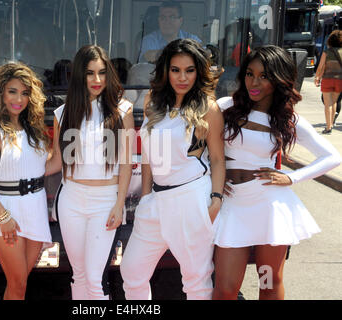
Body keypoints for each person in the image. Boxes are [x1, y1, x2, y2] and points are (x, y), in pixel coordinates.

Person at [212, 45, 341, 300]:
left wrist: (292, 177)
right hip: (233, 205)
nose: (254, 82)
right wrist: (212, 179)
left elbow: (332, 156)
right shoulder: (225, 107)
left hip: (269, 208)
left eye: (264, 76)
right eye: (250, 73)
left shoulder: (288, 120)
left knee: (269, 281)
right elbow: (203, 150)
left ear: (279, 78)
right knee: (225, 288)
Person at [120, 38, 225, 300]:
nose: (182, 77)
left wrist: (216, 199)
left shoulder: (208, 108)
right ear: (166, 71)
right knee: (131, 271)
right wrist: (145, 195)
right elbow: (148, 155)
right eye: (176, 70)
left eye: (189, 70)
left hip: (190, 198)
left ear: (198, 72)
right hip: (155, 201)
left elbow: (218, 159)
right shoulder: (153, 102)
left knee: (196, 280)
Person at [46, 45, 134, 300]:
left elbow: (127, 163)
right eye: (89, 73)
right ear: (78, 76)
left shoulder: (122, 110)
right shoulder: (63, 113)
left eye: (102, 73)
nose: (97, 80)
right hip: (71, 199)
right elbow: (55, 162)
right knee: (79, 274)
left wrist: (120, 205)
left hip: (105, 202)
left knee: (95, 279)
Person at [0, 62, 52, 300]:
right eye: (12, 91)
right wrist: (2, 216)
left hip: (35, 209)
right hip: (7, 211)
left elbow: (48, 167)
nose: (19, 99)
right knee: (17, 283)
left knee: (20, 284)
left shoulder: (33, 129)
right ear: (1, 93)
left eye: (25, 93)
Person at [314, 29, 342, 134]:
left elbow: (321, 66)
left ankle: (328, 127)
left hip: (327, 80)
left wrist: (317, 77)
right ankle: (332, 124)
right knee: (334, 101)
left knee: (327, 104)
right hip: (339, 80)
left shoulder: (326, 52)